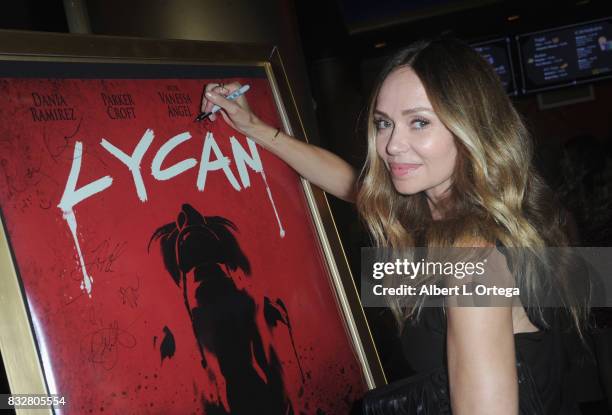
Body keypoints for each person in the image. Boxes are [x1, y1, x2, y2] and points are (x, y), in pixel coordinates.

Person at [201, 37, 590, 414]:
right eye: (384, 123)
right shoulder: (428, 211)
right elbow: (347, 181)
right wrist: (253, 126)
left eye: (419, 123)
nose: (391, 145)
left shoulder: (472, 258)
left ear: (470, 127)